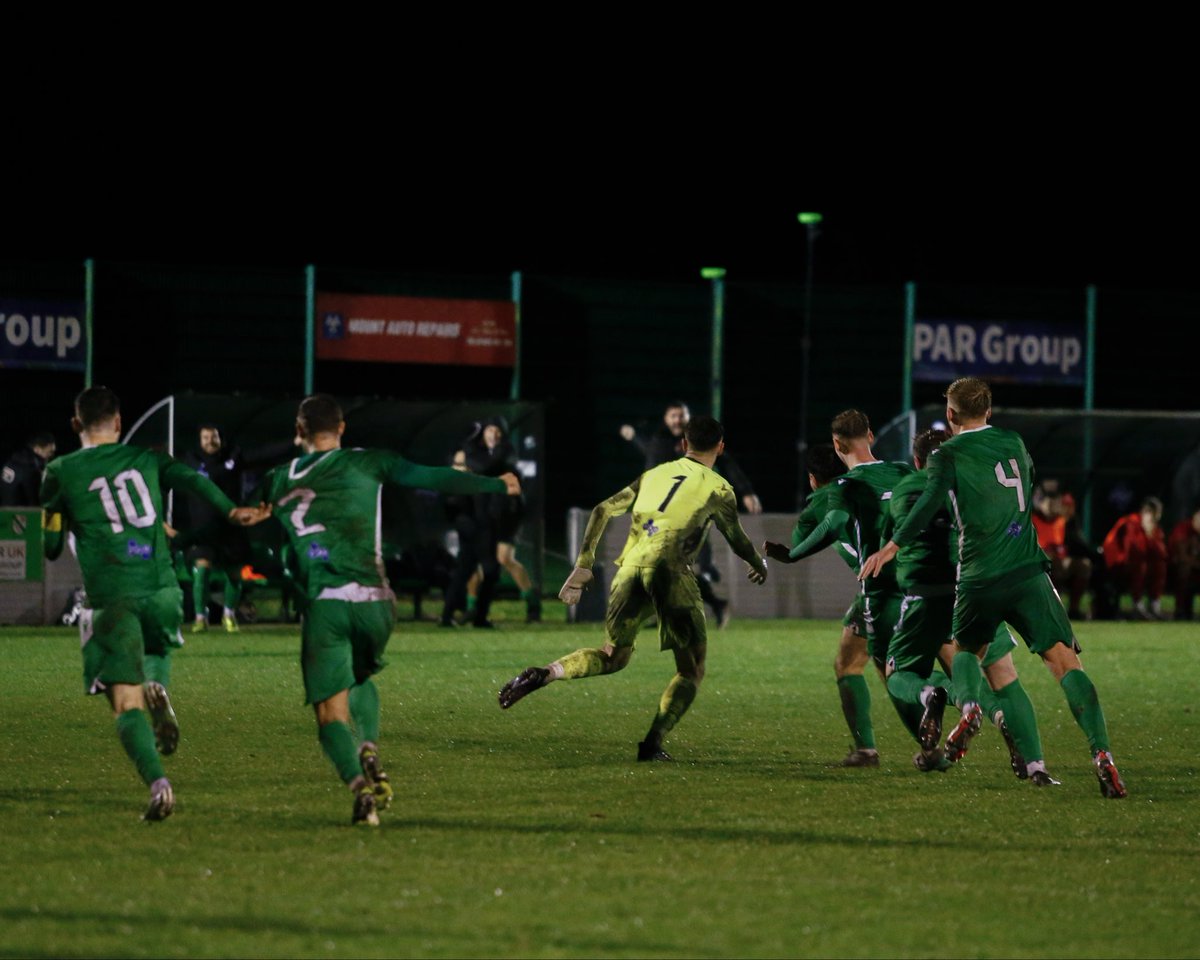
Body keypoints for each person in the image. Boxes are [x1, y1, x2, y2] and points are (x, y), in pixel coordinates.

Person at [256, 394, 520, 825]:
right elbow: (433, 477)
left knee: (330, 713)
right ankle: (370, 747)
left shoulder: (277, 477)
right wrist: (496, 483)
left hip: (326, 603)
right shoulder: (370, 462)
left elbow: (248, 524)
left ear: (298, 431)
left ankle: (361, 789)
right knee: (361, 675)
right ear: (341, 429)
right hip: (377, 602)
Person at [859, 377, 1127, 799]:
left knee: (967, 652)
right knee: (1066, 665)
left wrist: (892, 546)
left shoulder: (946, 454)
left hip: (979, 578)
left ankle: (970, 708)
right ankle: (1102, 755)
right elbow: (1026, 485)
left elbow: (929, 504)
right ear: (989, 410)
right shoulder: (1014, 442)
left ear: (951, 415)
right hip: (1028, 572)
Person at [39, 387, 267, 821]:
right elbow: (194, 479)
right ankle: (158, 684)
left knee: (125, 705)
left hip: (112, 597)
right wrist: (232, 510)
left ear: (75, 426)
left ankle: (159, 784)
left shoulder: (61, 470)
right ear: (120, 424)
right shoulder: (146, 459)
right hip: (161, 589)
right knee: (158, 649)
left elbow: (51, 546)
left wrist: (59, 514)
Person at [498, 415, 767, 761]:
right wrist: (756, 562)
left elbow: (602, 509)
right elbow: (737, 539)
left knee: (612, 656)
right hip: (671, 573)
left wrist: (583, 562)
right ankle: (652, 743)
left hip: (629, 570)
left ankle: (549, 672)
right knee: (691, 669)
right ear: (720, 447)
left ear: (683, 444)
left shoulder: (653, 474)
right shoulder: (719, 488)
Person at [877, 428, 1056, 784]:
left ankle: (934, 696)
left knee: (896, 671)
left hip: (926, 598)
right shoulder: (974, 488)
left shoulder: (903, 491)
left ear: (917, 462)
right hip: (975, 590)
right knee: (1004, 678)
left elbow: (891, 544)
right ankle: (1034, 763)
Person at [764, 409, 921, 767]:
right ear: (871, 435)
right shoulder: (902, 471)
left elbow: (824, 527)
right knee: (953, 661)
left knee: (858, 665)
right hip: (928, 580)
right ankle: (968, 725)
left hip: (882, 588)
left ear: (837, 444)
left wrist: (791, 555)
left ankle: (873, 747)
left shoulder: (835, 493)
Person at [620, 400, 762, 626]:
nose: (677, 420)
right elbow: (651, 464)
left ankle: (705, 575)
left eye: (681, 415)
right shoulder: (660, 442)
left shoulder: (698, 442)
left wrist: (746, 491)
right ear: (666, 419)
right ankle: (712, 600)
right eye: (673, 416)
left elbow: (726, 463)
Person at [463, 417, 541, 625]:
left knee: (504, 558)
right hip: (483, 516)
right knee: (479, 563)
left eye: (498, 431)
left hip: (506, 515)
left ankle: (532, 603)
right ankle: (472, 607)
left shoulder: (505, 453)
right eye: (490, 429)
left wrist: (469, 459)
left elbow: (484, 466)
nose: (493, 434)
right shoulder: (479, 452)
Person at [180, 424, 255, 633]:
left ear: (220, 439)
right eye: (205, 437)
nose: (210, 441)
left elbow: (263, 453)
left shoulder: (233, 457)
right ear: (200, 440)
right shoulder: (192, 460)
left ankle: (229, 615)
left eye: (214, 437)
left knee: (234, 573)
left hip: (231, 528)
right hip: (204, 528)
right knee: (202, 569)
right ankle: (199, 617)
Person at [1032, 481, 1094, 620]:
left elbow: (1077, 544)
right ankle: (1050, 609)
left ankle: (1074, 609)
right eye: (1047, 501)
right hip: (1038, 565)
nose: (1051, 504)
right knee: (1053, 562)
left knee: (1084, 565)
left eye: (1054, 501)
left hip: (1059, 562)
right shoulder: (1032, 520)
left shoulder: (1063, 521)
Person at [1102, 496, 1168, 620]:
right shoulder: (1130, 523)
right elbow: (1134, 550)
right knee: (1140, 565)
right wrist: (1147, 533)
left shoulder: (1154, 528)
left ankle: (1154, 604)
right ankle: (1137, 605)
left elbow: (1161, 554)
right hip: (1117, 566)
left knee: (1159, 565)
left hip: (1137, 566)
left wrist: (1149, 534)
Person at [1, 432, 56, 506]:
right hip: (22, 515)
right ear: (37, 449)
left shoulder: (13, 460)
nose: (51, 456)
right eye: (50, 452)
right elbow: (35, 502)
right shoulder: (31, 469)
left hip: (4, 512)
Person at [1167, 506, 1200, 620]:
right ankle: (1180, 610)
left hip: (1195, 570)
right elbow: (1182, 557)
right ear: (1194, 518)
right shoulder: (1183, 529)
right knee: (1184, 569)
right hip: (1173, 570)